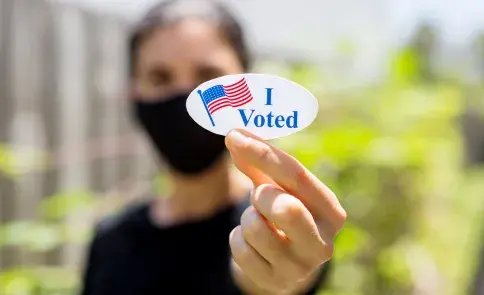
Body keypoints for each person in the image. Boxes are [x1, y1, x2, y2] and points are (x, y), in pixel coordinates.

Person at [80, 0, 347, 294]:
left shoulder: (271, 222)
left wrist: (282, 275)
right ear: (134, 95)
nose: (184, 97)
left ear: (247, 84)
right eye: (160, 78)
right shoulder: (110, 241)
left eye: (208, 77)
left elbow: (277, 273)